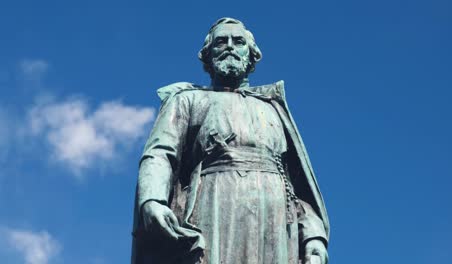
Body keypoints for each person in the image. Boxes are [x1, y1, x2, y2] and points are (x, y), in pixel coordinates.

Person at [131, 17, 330, 264]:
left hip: (276, 219)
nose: (229, 47)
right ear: (207, 56)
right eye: (220, 42)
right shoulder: (188, 100)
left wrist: (314, 237)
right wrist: (152, 200)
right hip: (213, 206)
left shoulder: (274, 109)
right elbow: (160, 153)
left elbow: (298, 187)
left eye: (238, 41)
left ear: (252, 54)